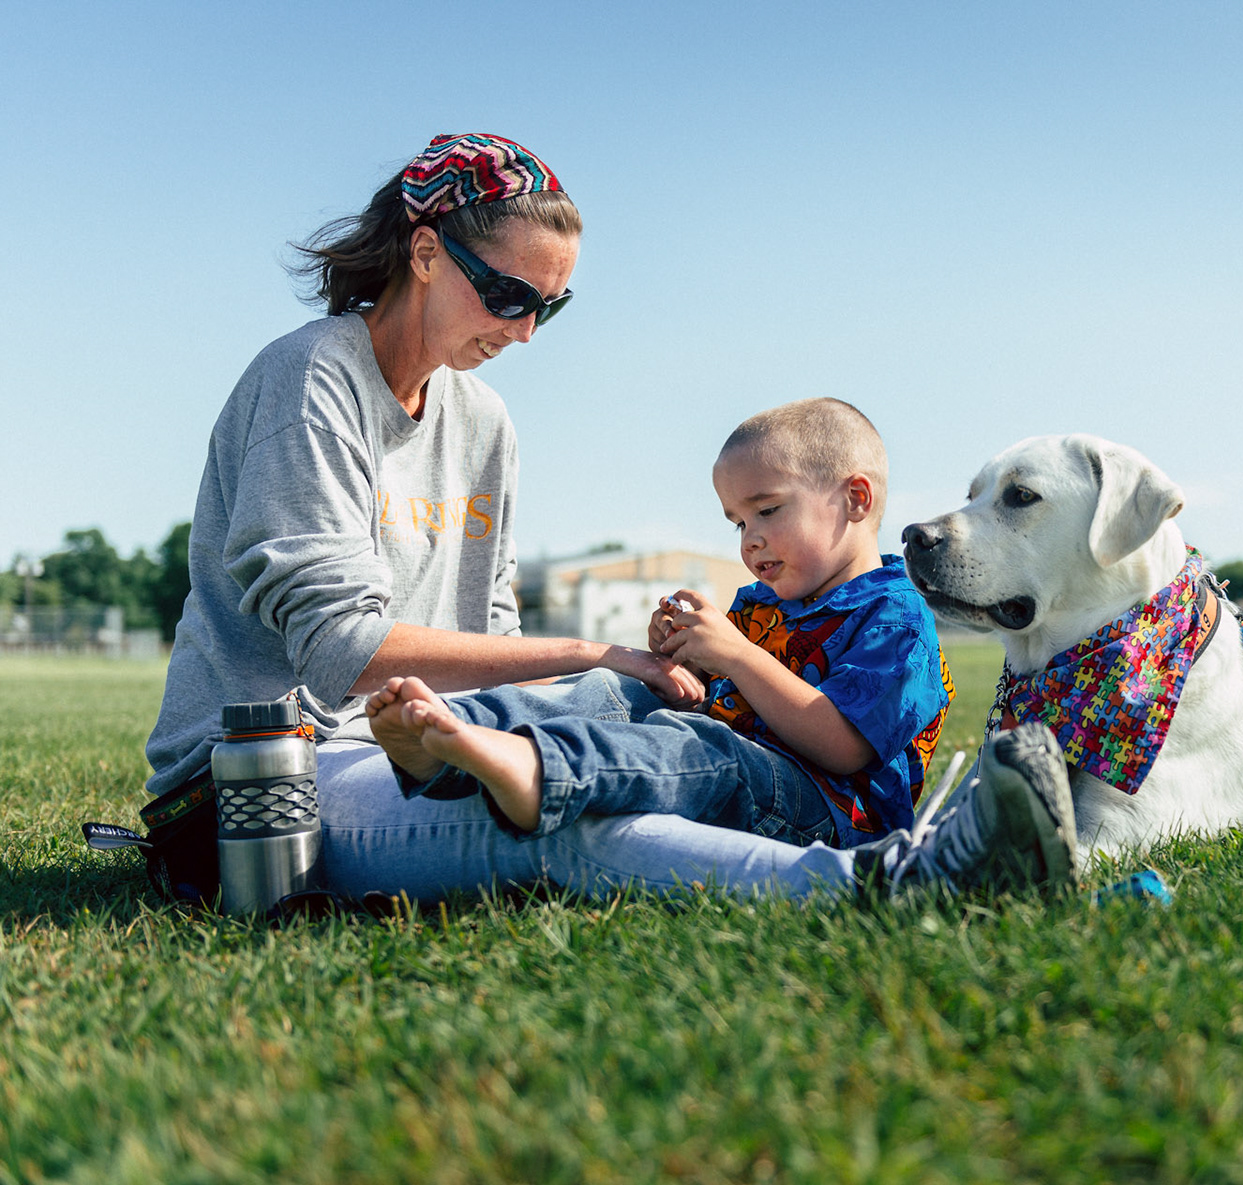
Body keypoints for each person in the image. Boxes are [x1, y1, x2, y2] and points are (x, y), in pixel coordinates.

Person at [140, 132, 1074, 908]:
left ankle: (526, 768)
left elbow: (492, 635)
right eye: (508, 296)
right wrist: (598, 655)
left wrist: (641, 679)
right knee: (573, 820)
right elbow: (340, 653)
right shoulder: (312, 379)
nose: (523, 333)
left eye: (549, 309)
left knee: (649, 725)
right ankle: (896, 881)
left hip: (441, 734)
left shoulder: (483, 421)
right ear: (424, 254)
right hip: (273, 777)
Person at [368, 399, 955, 850]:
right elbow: (714, 696)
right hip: (740, 770)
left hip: (829, 815)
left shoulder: (897, 617)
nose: (750, 539)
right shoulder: (762, 604)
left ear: (855, 499)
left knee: (707, 749)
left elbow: (844, 748)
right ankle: (455, 729)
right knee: (617, 690)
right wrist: (681, 661)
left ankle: (545, 772)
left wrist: (737, 655)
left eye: (767, 510)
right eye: (737, 522)